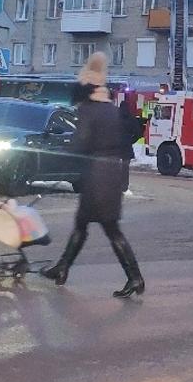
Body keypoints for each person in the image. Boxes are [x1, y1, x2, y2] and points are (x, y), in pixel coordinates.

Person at [41, 52, 145, 297]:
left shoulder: (89, 110)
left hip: (96, 175)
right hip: (111, 173)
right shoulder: (110, 108)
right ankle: (63, 267)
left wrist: (68, 153)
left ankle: (134, 277)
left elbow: (82, 141)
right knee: (89, 225)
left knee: (104, 228)